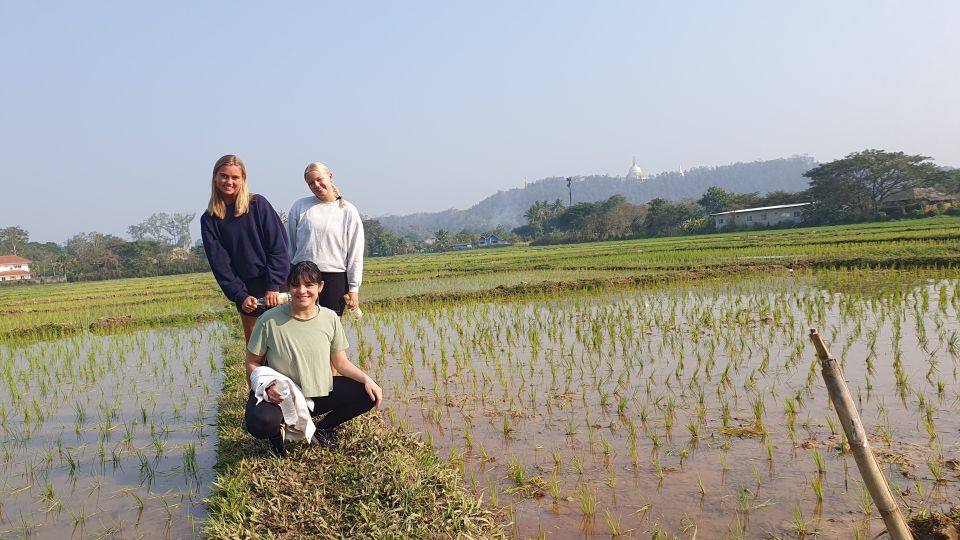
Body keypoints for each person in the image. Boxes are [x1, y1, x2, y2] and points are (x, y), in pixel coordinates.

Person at [244, 261, 383, 456]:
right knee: (260, 422)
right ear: (288, 287)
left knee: (368, 393)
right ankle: (276, 435)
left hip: (318, 393)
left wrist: (367, 379)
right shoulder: (268, 321)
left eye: (309, 285)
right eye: (295, 285)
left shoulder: (330, 318)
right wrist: (266, 387)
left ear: (320, 287)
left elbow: (340, 363)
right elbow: (252, 362)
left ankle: (323, 428)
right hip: (283, 396)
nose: (302, 291)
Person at [201, 155, 290, 343]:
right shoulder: (209, 219)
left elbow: (278, 246)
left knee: (286, 344)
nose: (229, 182)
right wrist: (240, 296)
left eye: (235, 177)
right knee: (256, 349)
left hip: (277, 285)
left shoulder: (258, 204)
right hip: (246, 290)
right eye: (224, 176)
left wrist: (273, 285)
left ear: (243, 179)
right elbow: (220, 265)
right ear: (215, 178)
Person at [286, 162, 365, 316]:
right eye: (311, 183)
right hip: (303, 277)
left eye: (319, 179)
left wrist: (354, 289)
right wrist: (288, 279)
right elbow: (290, 246)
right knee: (301, 325)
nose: (316, 185)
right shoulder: (300, 206)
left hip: (334, 277)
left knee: (331, 328)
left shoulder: (348, 211)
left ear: (330, 176)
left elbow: (355, 253)